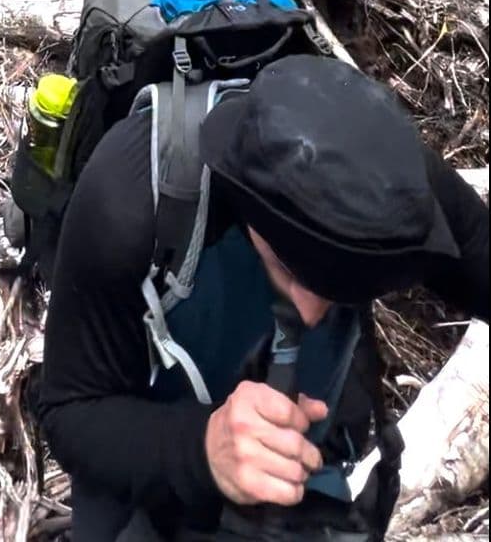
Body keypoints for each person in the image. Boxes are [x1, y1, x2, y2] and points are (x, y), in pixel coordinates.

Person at [39, 56, 489, 542]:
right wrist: (202, 448)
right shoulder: (129, 196)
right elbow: (69, 409)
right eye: (290, 270)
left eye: (344, 293)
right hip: (137, 438)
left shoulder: (395, 186)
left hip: (295, 456)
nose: (313, 312)